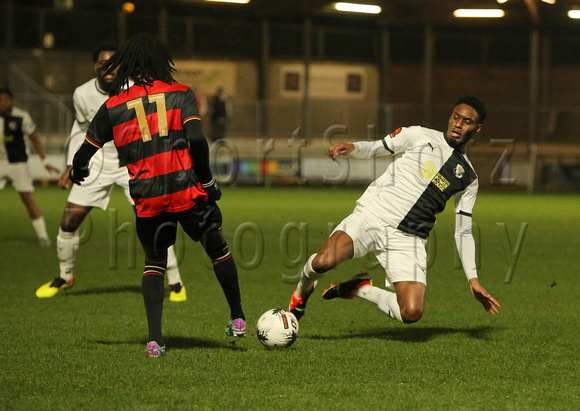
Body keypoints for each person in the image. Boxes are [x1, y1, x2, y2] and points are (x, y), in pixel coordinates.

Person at [69, 35, 246, 357]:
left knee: (154, 263)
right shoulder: (180, 94)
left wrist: (78, 170)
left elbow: (85, 152)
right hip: (187, 190)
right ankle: (237, 317)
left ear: (129, 66)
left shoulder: (112, 106)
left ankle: (155, 340)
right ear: (162, 61)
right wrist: (207, 181)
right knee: (217, 249)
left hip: (148, 197)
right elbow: (197, 140)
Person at [289, 96, 501, 325]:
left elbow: (463, 231)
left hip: (408, 239)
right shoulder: (420, 135)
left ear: (477, 128)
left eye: (466, 122)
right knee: (322, 262)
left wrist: (473, 279)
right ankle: (301, 292)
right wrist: (353, 147)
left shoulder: (468, 178)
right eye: (455, 117)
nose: (458, 124)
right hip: (372, 216)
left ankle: (360, 289)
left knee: (411, 312)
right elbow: (376, 147)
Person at [35, 42, 187, 302]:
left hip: (134, 164)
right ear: (96, 65)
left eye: (114, 63)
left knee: (153, 225)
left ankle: (175, 282)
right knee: (68, 221)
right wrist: (73, 163)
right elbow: (81, 129)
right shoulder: (82, 94)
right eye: (103, 62)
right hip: (97, 164)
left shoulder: (137, 91)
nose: (108, 67)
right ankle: (65, 276)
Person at [0, 87, 59, 247]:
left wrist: (44, 161)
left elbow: (34, 138)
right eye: (0, 99)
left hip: (18, 163)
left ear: (10, 100)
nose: (2, 102)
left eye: (5, 99)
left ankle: (43, 235)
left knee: (26, 197)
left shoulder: (21, 116)